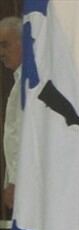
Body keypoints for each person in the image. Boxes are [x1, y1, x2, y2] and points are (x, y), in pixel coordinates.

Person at [0, 16, 22, 212]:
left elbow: (23, 138)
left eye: (5, 45)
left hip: (27, 184)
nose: (1, 53)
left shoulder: (28, 85)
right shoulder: (18, 82)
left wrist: (16, 182)